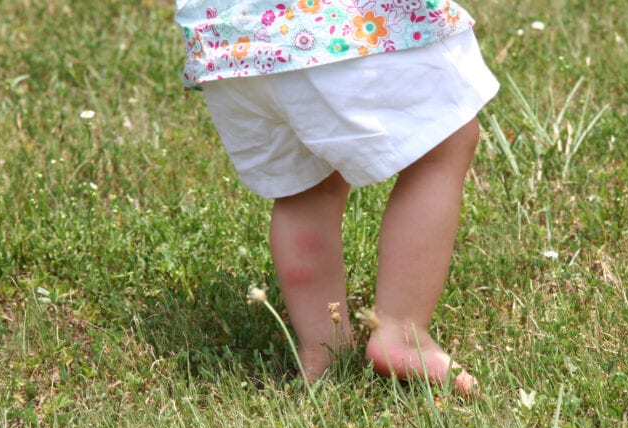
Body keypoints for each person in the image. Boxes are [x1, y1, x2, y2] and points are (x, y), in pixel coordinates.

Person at [176, 0, 498, 395]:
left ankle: (323, 349)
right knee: (445, 143)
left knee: (305, 187)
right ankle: (401, 333)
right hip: (335, 32)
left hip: (233, 47)